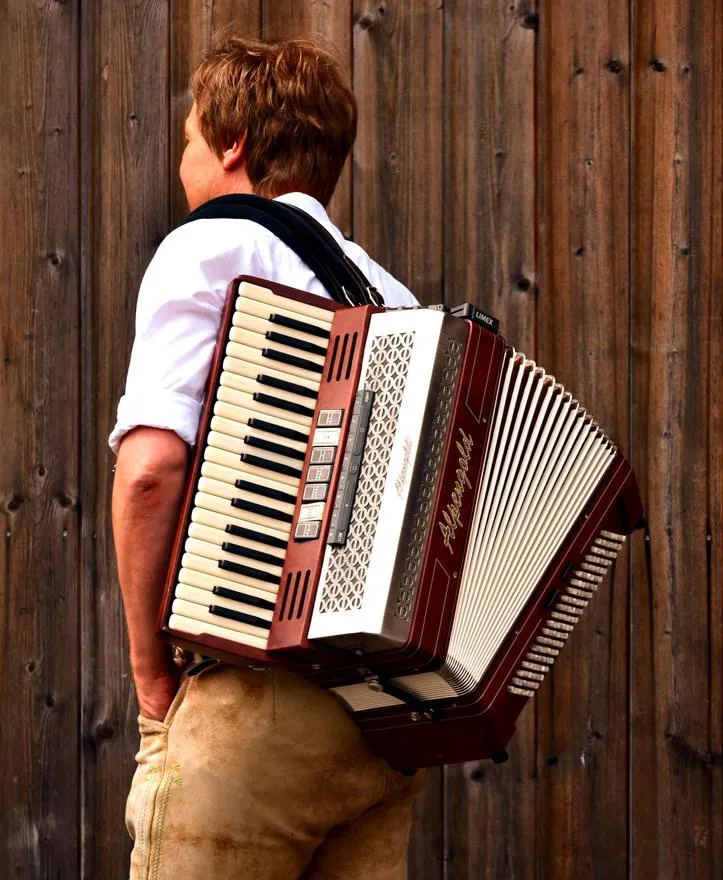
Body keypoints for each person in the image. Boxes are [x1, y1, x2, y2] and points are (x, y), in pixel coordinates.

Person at [110, 36, 423, 880]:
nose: (183, 158)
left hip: (249, 709)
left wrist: (150, 683)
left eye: (187, 138)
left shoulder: (208, 246)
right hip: (375, 729)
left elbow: (148, 472)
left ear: (232, 144)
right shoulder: (386, 295)